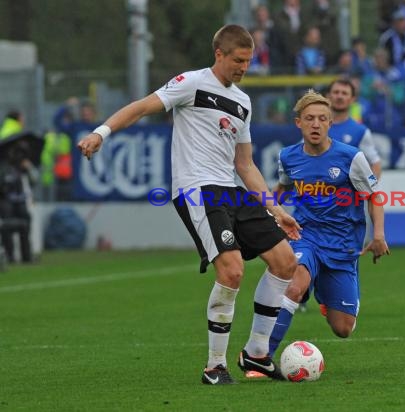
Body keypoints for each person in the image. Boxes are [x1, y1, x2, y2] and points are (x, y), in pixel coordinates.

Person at [77, 24, 300, 385]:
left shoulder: (243, 102)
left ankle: (257, 355)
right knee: (232, 271)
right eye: (238, 60)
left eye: (248, 61)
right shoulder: (191, 83)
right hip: (197, 190)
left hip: (230, 189)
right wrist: (100, 132)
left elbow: (245, 165)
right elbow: (142, 107)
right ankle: (215, 366)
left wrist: (276, 209)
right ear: (219, 54)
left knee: (285, 262)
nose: (243, 68)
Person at [266, 90, 390, 360]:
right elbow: (283, 188)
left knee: (343, 328)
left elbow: (374, 196)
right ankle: (261, 357)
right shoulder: (288, 156)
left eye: (323, 118)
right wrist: (266, 210)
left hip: (343, 246)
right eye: (309, 118)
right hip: (305, 235)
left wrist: (378, 235)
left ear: (330, 123)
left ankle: (324, 294)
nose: (316, 124)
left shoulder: (350, 157)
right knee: (294, 287)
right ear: (298, 122)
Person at [327, 78, 382, 177]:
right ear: (328, 96)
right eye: (336, 92)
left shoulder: (360, 131)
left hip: (346, 192)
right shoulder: (315, 126)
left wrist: (370, 189)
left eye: (344, 93)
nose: (339, 96)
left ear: (352, 99)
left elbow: (375, 164)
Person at [0, 140, 38, 263]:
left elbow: (34, 181)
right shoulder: (4, 168)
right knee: (6, 226)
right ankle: (9, 256)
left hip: (20, 202)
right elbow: (3, 187)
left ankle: (26, 256)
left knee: (26, 224)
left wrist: (29, 168)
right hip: (7, 202)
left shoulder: (24, 169)